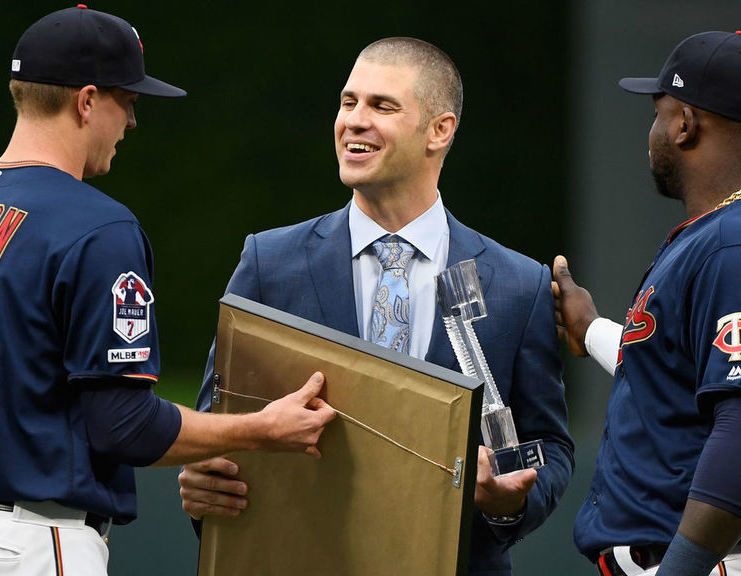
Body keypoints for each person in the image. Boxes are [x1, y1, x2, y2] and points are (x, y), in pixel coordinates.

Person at [179, 36, 574, 575]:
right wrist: (203, 474)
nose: (354, 121)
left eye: (382, 106)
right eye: (348, 102)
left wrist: (511, 502)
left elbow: (548, 443)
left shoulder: (519, 285)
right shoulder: (269, 263)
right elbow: (217, 421)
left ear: (440, 130)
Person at [0, 6, 334, 576]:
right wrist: (259, 430)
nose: (132, 123)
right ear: (86, 101)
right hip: (33, 543)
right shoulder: (97, 228)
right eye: (129, 102)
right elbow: (124, 425)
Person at [552, 31, 741, 576]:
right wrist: (590, 329)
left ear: (684, 123)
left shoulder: (730, 244)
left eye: (658, 112)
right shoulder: (715, 234)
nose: (652, 131)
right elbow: (678, 377)